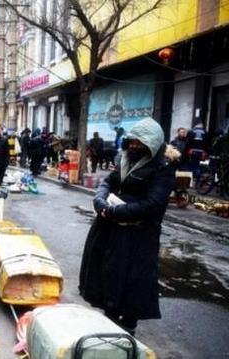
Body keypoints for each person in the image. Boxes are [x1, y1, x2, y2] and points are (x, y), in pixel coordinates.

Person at [79, 117, 175, 336]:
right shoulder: (124, 160)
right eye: (131, 141)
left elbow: (152, 204)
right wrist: (100, 201)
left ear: (152, 144)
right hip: (111, 230)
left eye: (139, 143)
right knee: (109, 274)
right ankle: (109, 321)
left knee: (132, 280)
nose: (133, 146)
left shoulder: (163, 169)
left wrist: (115, 211)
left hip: (139, 236)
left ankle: (128, 329)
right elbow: (107, 183)